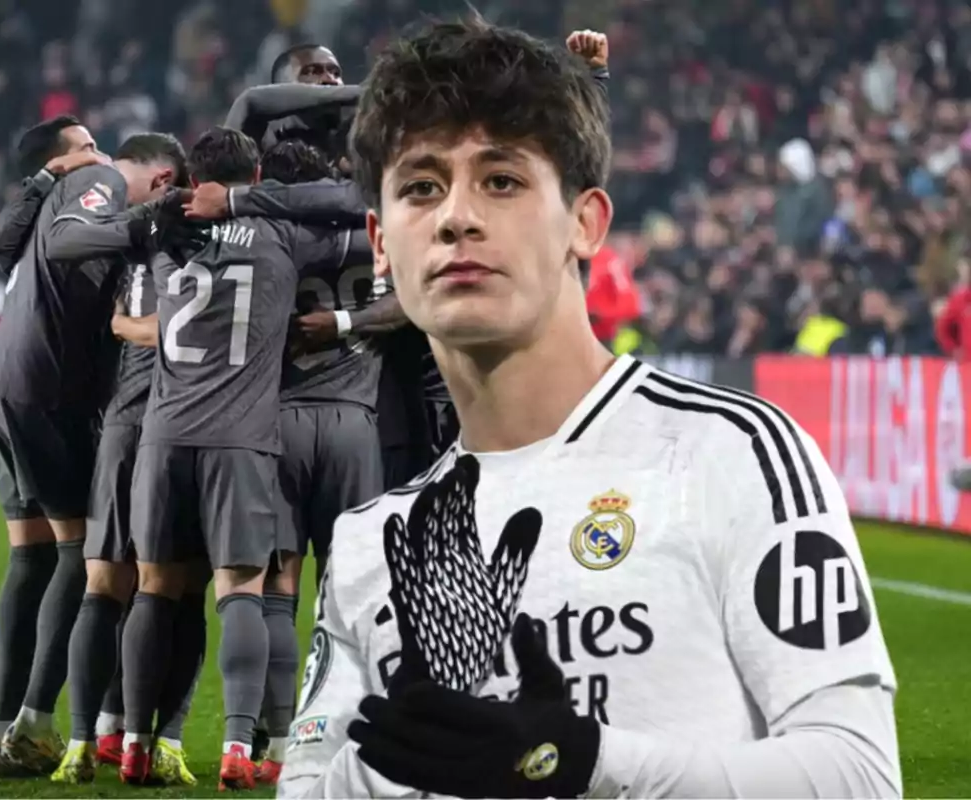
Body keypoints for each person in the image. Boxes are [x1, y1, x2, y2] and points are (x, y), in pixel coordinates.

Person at [279, 16, 901, 799]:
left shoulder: (732, 454)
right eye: (420, 187)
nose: (455, 217)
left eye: (501, 180)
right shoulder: (372, 542)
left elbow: (859, 775)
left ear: (587, 222)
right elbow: (305, 788)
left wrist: (582, 762)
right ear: (380, 241)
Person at [120, 127, 369, 791]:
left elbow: (120, 250)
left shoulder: (164, 232)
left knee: (154, 588)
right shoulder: (281, 237)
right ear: (255, 176)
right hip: (243, 437)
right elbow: (357, 206)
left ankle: (134, 744)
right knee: (243, 592)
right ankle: (240, 747)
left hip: (164, 434)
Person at [0, 125, 188, 777]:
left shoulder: (63, 193)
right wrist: (147, 224)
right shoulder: (105, 185)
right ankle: (33, 723)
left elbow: (4, 242)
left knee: (32, 555)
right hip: (45, 388)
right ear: (164, 180)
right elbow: (63, 244)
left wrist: (40, 182)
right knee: (86, 552)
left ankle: (0, 728)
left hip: (2, 383)